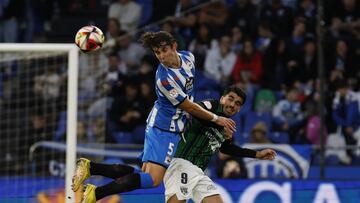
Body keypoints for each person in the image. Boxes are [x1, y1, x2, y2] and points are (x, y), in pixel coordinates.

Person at [72, 31, 236, 202]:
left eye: (164, 50)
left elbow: (190, 97)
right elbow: (189, 107)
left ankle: (90, 167)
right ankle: (95, 194)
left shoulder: (189, 58)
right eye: (157, 53)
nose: (162, 56)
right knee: (153, 180)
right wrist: (217, 119)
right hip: (163, 128)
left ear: (174, 46)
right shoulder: (164, 80)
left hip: (175, 127)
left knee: (145, 176)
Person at [164, 86, 277, 203]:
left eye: (237, 103)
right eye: (230, 99)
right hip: (182, 163)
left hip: (198, 172)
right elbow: (194, 111)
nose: (233, 105)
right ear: (222, 98)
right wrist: (218, 123)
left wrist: (257, 154)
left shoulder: (228, 125)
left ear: (239, 109)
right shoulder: (212, 105)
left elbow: (226, 149)